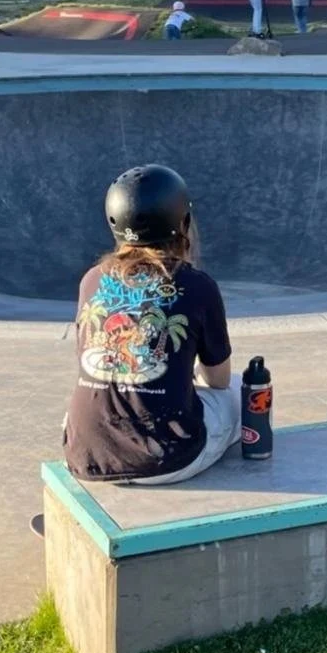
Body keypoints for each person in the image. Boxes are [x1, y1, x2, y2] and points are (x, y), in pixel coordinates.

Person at [63, 165, 239, 486]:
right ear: (183, 223)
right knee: (241, 391)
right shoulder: (197, 285)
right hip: (166, 459)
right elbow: (219, 380)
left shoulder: (91, 280)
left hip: (84, 455)